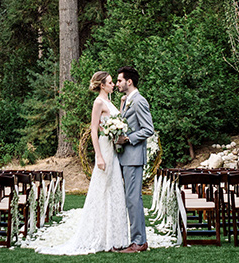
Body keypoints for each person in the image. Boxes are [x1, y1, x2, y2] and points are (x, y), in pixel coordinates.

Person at [30, 71, 130, 254]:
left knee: (114, 189)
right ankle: (102, 236)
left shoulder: (110, 102)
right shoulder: (98, 102)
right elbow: (94, 130)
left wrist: (122, 105)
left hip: (113, 150)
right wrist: (98, 156)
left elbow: (116, 122)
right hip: (105, 150)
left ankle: (115, 236)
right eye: (110, 82)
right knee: (104, 190)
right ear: (102, 85)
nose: (113, 84)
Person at [114, 66, 155, 253]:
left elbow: (148, 129)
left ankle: (139, 241)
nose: (117, 84)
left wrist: (128, 139)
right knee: (130, 199)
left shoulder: (139, 101)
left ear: (129, 82)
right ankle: (134, 239)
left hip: (133, 158)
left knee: (133, 200)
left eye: (119, 80)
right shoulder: (128, 100)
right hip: (125, 158)